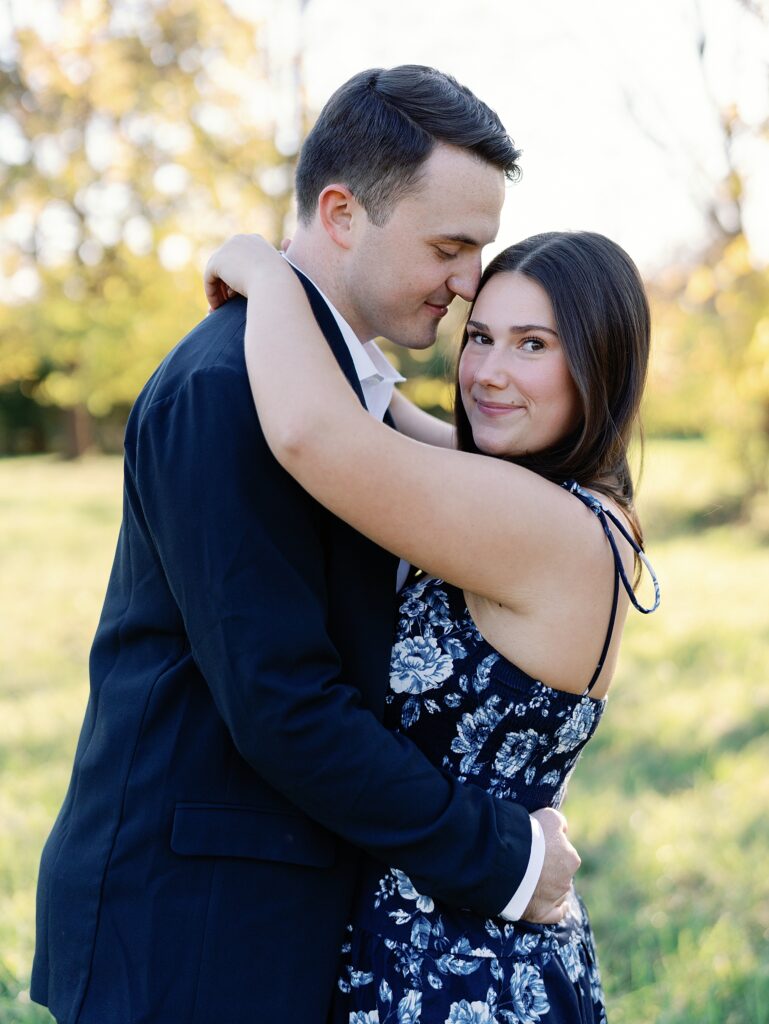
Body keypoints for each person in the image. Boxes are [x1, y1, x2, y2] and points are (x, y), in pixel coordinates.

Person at [31, 66, 581, 1024]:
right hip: (191, 931)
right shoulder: (226, 387)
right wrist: (502, 856)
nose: (466, 284)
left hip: (282, 913)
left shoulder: (342, 394)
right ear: (340, 212)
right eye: (449, 247)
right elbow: (283, 702)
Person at [202, 227, 660, 1022]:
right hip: (451, 934)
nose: (486, 372)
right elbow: (392, 421)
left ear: (601, 363)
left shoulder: (543, 528)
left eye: (532, 345)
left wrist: (265, 278)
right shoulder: (555, 502)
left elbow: (321, 438)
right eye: (479, 336)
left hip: (464, 972)